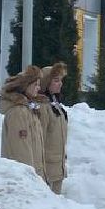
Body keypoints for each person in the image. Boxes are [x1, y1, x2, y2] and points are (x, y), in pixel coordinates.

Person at [0, 64, 46, 182]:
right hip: (24, 179)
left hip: (35, 176)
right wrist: (31, 181)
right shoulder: (18, 113)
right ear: (25, 86)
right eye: (35, 85)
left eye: (39, 85)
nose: (38, 88)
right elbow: (21, 151)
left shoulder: (29, 109)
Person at [37, 63, 69, 195]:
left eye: (61, 80)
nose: (60, 84)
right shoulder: (43, 107)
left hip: (57, 167)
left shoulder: (55, 104)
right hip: (47, 170)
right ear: (46, 83)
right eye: (56, 80)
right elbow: (39, 139)